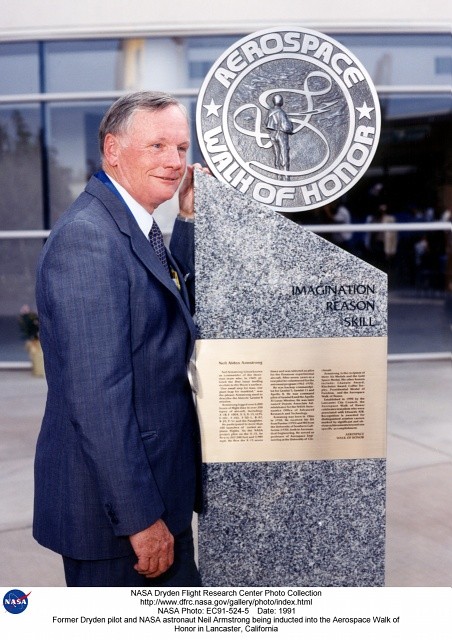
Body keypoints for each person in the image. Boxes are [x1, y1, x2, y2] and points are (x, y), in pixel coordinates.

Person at [33, 91, 205, 587]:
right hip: (119, 523)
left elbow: (168, 308)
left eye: (180, 147)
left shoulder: (132, 224)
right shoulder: (88, 239)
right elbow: (98, 400)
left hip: (157, 498)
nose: (175, 162)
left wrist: (188, 222)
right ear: (112, 150)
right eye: (157, 146)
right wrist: (140, 521)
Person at [266, 94, 294, 173]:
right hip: (281, 135)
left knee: (277, 154)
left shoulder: (270, 112)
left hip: (273, 135)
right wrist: (291, 126)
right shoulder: (281, 112)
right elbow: (286, 127)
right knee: (284, 154)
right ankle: (285, 174)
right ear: (281, 102)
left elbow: (266, 122)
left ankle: (278, 173)